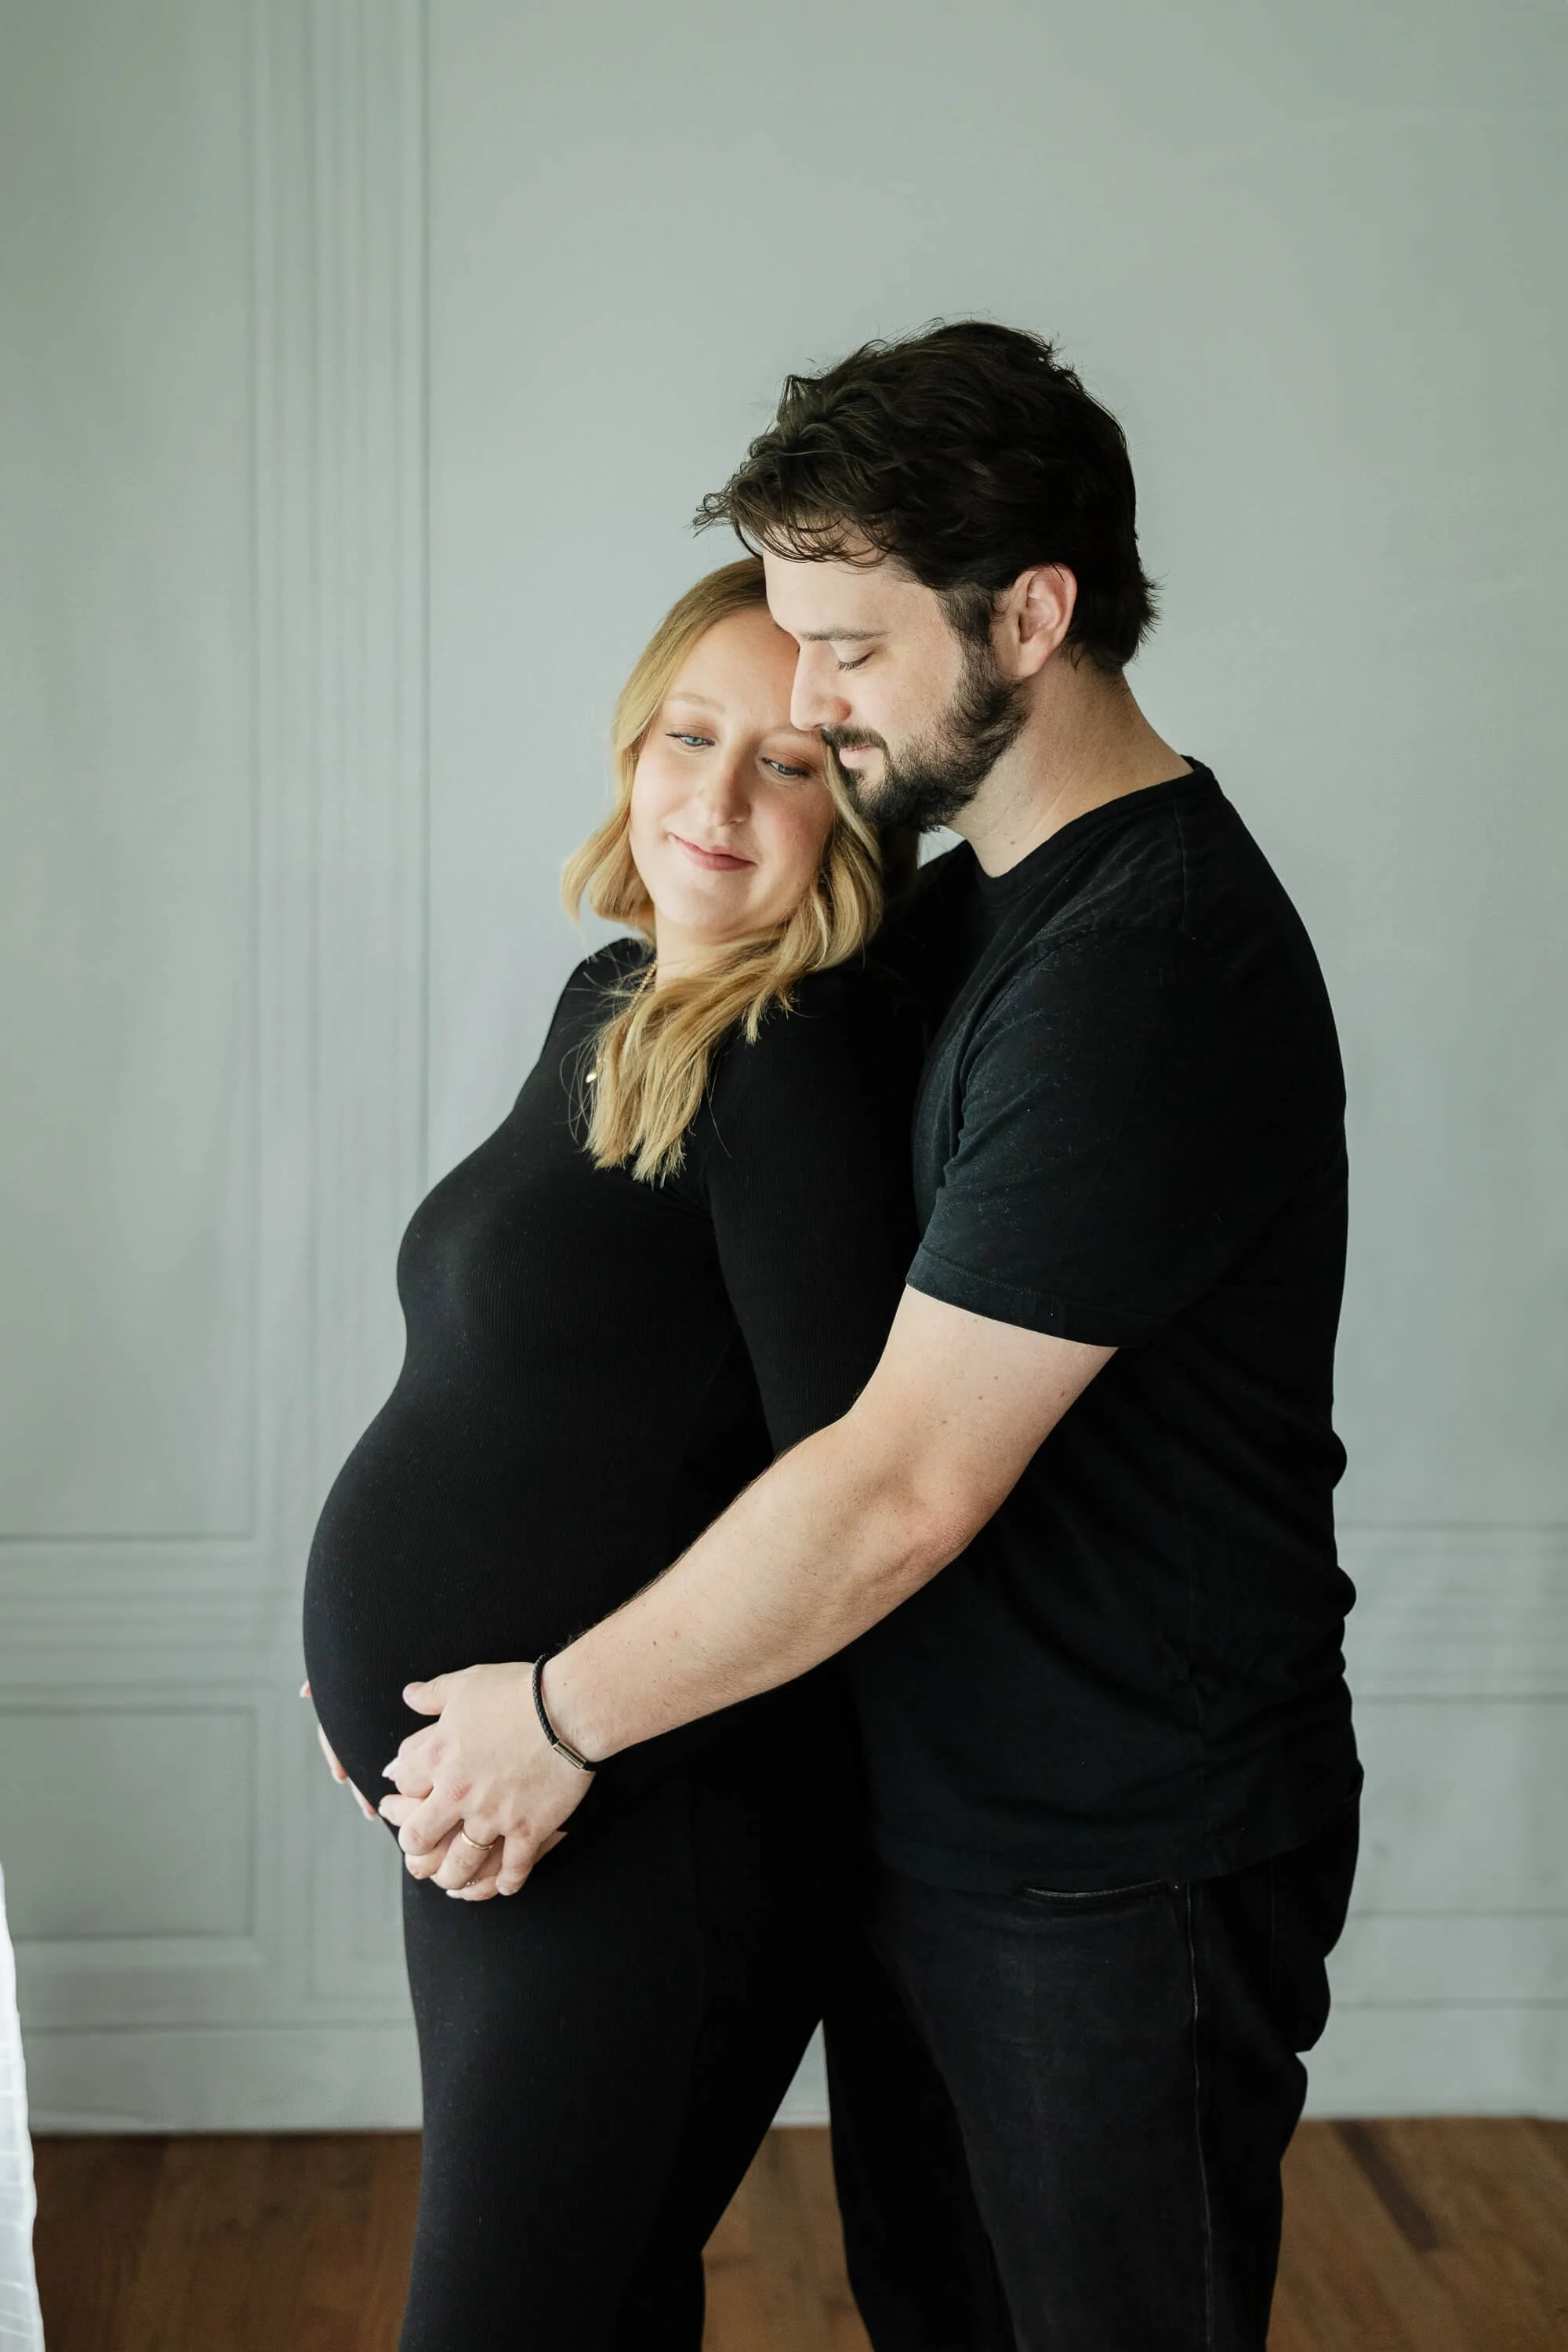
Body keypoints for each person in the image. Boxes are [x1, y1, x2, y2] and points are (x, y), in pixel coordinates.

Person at [380, 323, 1362, 2352]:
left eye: (845, 646)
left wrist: (552, 1716)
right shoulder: (985, 906)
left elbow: (907, 1480)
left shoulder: (1145, 970)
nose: (806, 695)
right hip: (938, 1826)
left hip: (1119, 1860)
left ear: (1034, 613)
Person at [301, 556, 930, 2350]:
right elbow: (534, 1407)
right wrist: (373, 1689)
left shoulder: (793, 1053)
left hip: (650, 1833)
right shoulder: (628, 993)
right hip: (512, 1815)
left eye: (791, 762)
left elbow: (842, 1501)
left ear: (856, 805)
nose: (718, 798)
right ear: (632, 745)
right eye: (688, 734)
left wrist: (553, 1725)